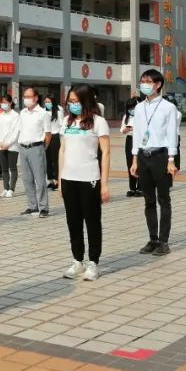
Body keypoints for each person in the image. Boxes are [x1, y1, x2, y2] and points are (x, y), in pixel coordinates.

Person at [59, 84, 111, 281]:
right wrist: (61, 179)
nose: (72, 105)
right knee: (73, 222)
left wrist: (104, 183)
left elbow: (106, 152)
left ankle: (93, 262)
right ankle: (77, 260)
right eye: (70, 101)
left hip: (89, 179)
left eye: (76, 101)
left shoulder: (99, 122)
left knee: (92, 222)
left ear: (86, 101)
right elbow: (62, 150)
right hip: (69, 178)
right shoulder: (66, 122)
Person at [131, 69, 181, 256]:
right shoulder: (138, 107)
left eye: (148, 81)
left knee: (164, 200)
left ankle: (164, 241)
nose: (144, 84)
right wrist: (134, 159)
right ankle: (152, 239)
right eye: (142, 80)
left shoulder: (168, 107)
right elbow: (136, 134)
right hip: (144, 157)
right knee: (148, 200)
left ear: (158, 84)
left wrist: (171, 160)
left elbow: (171, 135)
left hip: (161, 156)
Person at [16, 87, 52, 217]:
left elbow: (48, 134)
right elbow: (19, 130)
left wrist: (42, 149)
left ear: (36, 98)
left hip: (36, 148)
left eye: (28, 96)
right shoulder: (23, 113)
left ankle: (44, 207)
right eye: (24, 96)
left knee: (40, 179)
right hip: (23, 147)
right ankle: (32, 206)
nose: (25, 99)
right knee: (27, 179)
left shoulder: (43, 113)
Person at [0, 95, 20, 198]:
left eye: (5, 102)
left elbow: (16, 132)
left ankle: (11, 189)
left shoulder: (15, 115)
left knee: (12, 167)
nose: (3, 104)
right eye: (2, 102)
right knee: (4, 168)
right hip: (1, 145)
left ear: (10, 103)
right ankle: (5, 188)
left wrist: (8, 143)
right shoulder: (0, 115)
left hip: (12, 146)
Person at [121, 98, 141, 197]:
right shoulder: (126, 117)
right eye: (129, 108)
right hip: (129, 140)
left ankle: (140, 187)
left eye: (133, 107)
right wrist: (126, 130)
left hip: (139, 141)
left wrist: (133, 129)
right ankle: (132, 188)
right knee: (130, 164)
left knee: (140, 164)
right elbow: (122, 130)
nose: (131, 109)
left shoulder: (141, 116)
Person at [44, 94, 61, 191]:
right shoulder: (43, 112)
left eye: (49, 102)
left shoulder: (58, 111)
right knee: (47, 160)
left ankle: (56, 180)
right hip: (46, 137)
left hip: (55, 137)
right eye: (45, 102)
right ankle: (49, 180)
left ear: (53, 102)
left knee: (55, 160)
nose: (47, 104)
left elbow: (62, 125)